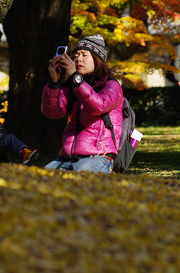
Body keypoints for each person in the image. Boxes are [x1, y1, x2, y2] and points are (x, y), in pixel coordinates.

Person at [41, 34, 123, 173]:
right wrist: (54, 83)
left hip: (98, 156)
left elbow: (98, 106)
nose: (78, 59)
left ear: (97, 60)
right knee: (39, 178)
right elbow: (53, 113)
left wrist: (76, 79)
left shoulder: (111, 85)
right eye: (76, 55)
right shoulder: (74, 86)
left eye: (84, 55)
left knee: (80, 179)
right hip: (67, 157)